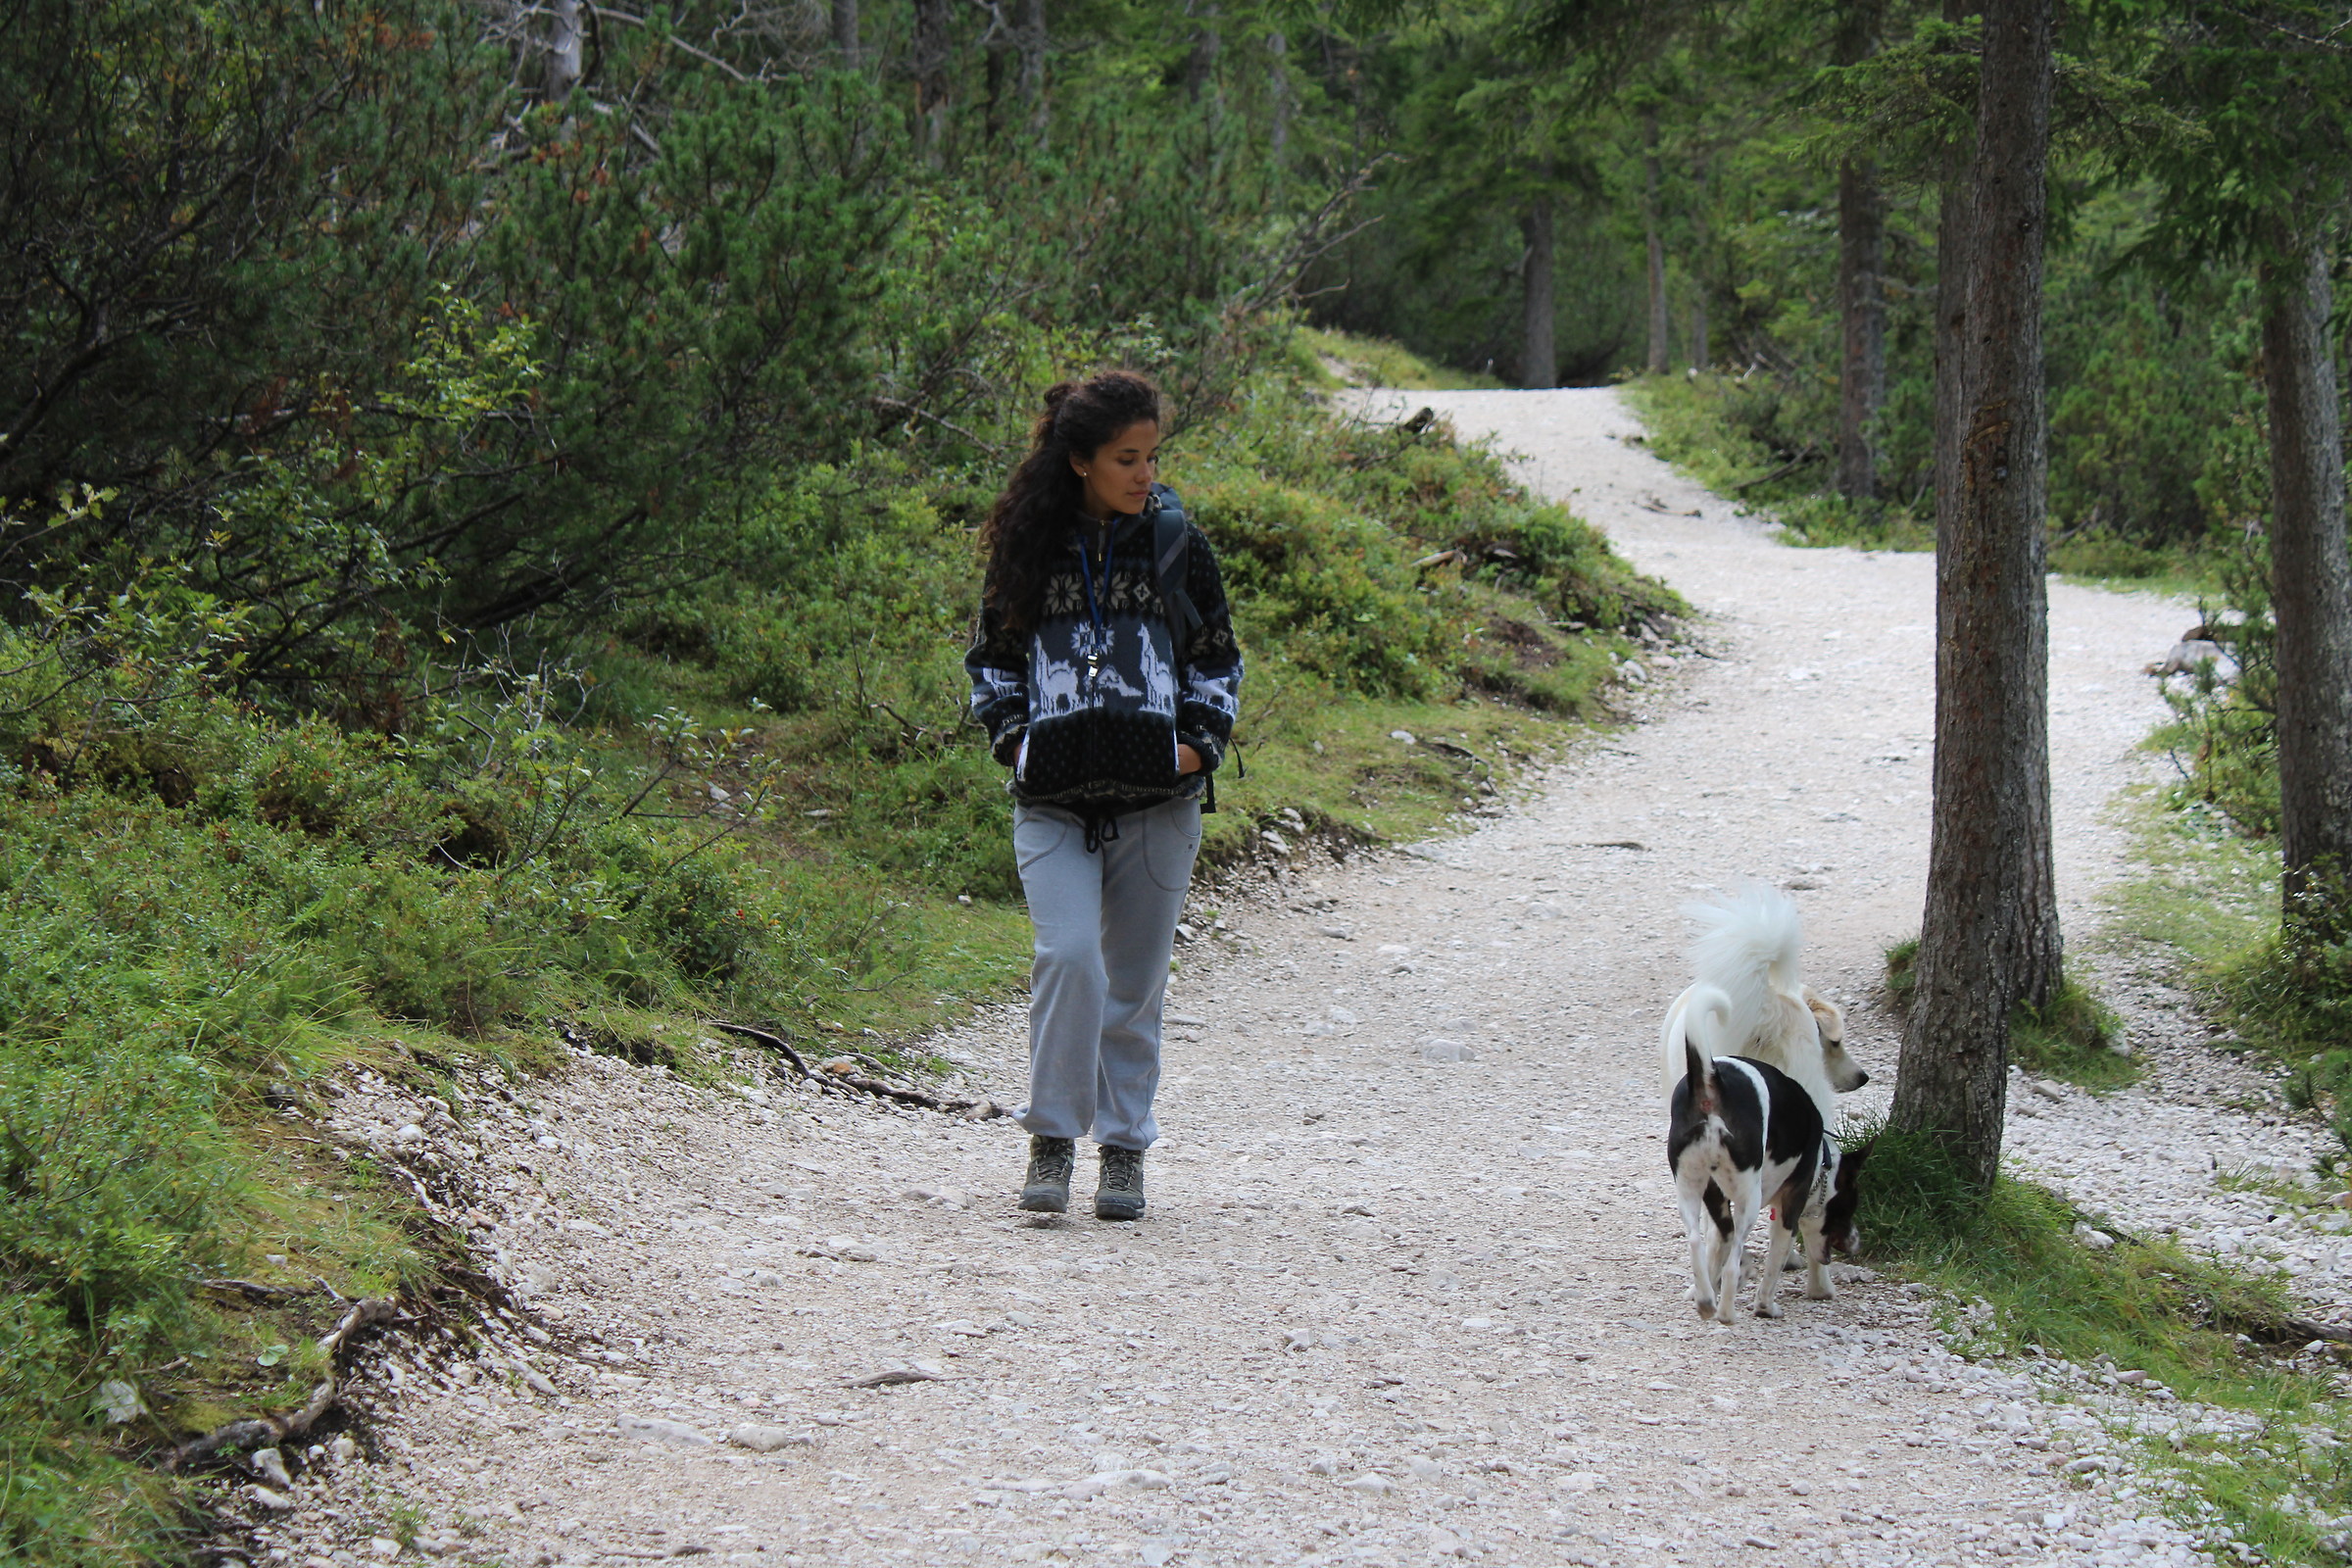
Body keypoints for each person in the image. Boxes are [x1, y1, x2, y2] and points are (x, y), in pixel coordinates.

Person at [965, 370, 1243, 1221]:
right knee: (1069, 959)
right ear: (1080, 459)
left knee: (1135, 986)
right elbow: (990, 661)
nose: (1144, 474)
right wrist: (1015, 742)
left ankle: (1123, 1151)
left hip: (1158, 807)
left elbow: (1218, 658)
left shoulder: (1174, 541)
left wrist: (1197, 747)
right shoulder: (1031, 545)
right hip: (1051, 803)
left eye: (1152, 456)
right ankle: (1052, 1136)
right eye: (1127, 458)